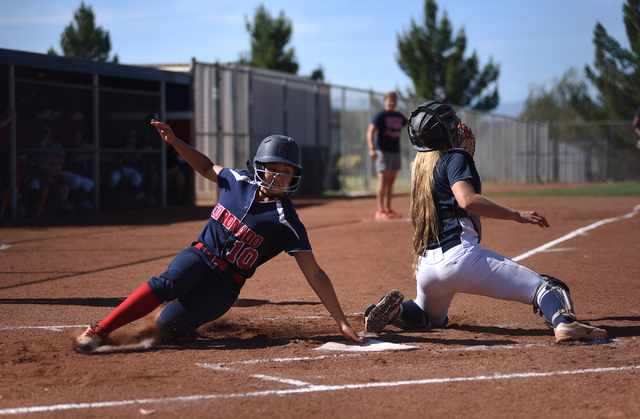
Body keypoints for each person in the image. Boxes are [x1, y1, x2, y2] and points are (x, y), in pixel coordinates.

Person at [75, 119, 367, 353]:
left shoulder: (285, 220)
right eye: (273, 169)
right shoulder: (238, 181)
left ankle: (181, 322)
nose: (279, 176)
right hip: (200, 256)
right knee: (170, 282)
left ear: (295, 176)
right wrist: (175, 141)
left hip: (225, 286)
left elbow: (314, 274)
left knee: (167, 327)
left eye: (287, 171)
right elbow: (204, 166)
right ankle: (99, 330)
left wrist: (341, 322)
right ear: (260, 167)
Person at [363, 101, 607, 344]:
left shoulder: (419, 168)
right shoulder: (455, 158)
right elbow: (467, 200)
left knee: (431, 317)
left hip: (426, 268)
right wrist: (517, 215)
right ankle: (565, 324)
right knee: (549, 288)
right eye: (452, 125)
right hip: (460, 259)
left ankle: (398, 311)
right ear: (445, 132)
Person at [29, 126, 94, 215]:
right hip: (45, 173)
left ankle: (72, 203)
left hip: (58, 171)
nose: (44, 135)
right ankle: (41, 208)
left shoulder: (55, 145)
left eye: (46, 133)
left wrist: (49, 160)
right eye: (42, 133)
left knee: (88, 183)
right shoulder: (34, 147)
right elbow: (31, 162)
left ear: (50, 135)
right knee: (39, 180)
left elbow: (62, 160)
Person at [366, 91, 408, 219]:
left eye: (394, 100)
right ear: (385, 101)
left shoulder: (399, 116)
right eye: (389, 100)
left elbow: (411, 125)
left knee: (390, 183)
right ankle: (380, 210)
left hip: (395, 151)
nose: (391, 102)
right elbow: (370, 132)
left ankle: (388, 209)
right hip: (383, 151)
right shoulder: (381, 116)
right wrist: (371, 149)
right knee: (383, 181)